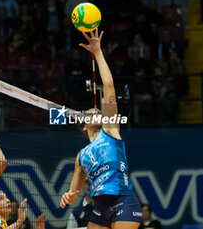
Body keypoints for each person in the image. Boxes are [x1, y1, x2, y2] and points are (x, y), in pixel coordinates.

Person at [60, 28, 142, 229]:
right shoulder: (81, 156)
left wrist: (97, 53)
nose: (96, 111)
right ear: (84, 124)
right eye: (90, 112)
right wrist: (67, 196)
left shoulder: (111, 129)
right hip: (99, 209)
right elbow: (73, 192)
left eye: (98, 110)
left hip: (123, 201)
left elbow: (108, 86)